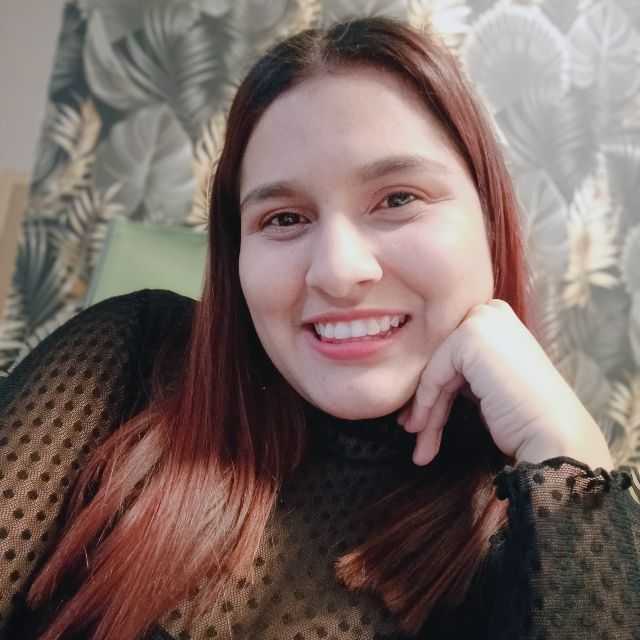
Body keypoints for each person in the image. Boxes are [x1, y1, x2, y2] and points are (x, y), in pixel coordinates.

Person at [0, 15, 638, 640]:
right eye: (283, 218)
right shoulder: (127, 359)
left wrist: (567, 453)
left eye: (398, 199)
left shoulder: (536, 532)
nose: (337, 272)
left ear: (489, 223)